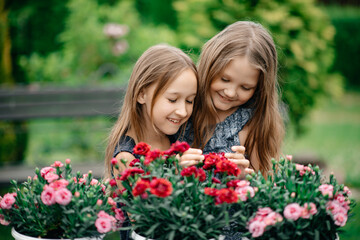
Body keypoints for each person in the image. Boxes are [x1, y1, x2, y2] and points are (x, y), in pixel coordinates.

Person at [104, 44, 198, 240]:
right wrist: (177, 174)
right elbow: (145, 221)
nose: (183, 111)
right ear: (141, 94)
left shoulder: (178, 139)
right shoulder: (126, 157)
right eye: (173, 100)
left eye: (190, 101)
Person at [180, 21, 285, 178]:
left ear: (259, 89)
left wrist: (244, 178)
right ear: (210, 65)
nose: (230, 92)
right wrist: (175, 168)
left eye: (245, 88)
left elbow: (267, 186)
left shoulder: (253, 126)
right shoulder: (184, 105)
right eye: (224, 79)